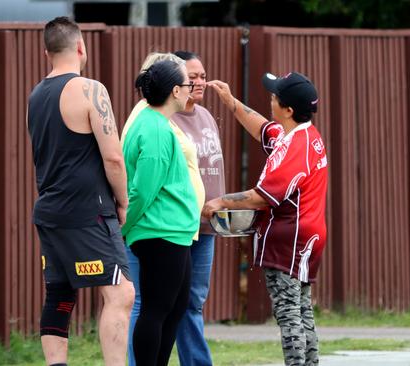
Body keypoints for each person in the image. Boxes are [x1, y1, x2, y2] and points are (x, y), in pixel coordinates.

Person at [26, 16, 134, 366]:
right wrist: (123, 200)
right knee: (122, 293)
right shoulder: (90, 90)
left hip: (50, 212)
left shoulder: (36, 95)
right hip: (87, 210)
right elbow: (114, 158)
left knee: (60, 294)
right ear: (80, 46)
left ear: (47, 53)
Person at [203, 72, 327, 366]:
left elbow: (262, 196)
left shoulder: (295, 148)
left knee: (288, 313)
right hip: (308, 236)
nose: (270, 99)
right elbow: (263, 129)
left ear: (288, 110)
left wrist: (219, 201)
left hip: (288, 239)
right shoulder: (302, 134)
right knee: (302, 308)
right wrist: (230, 101)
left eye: (274, 97)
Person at [121, 52, 205, 366]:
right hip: (160, 232)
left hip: (174, 232)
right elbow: (142, 190)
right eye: (187, 84)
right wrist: (124, 227)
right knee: (157, 309)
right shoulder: (154, 128)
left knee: (175, 306)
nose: (191, 89)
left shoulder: (158, 123)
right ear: (174, 91)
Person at [171, 50, 226, 366]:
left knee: (194, 301)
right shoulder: (169, 118)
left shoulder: (205, 116)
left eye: (202, 76)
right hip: (180, 226)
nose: (200, 82)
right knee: (180, 300)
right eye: (192, 77)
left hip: (209, 227)